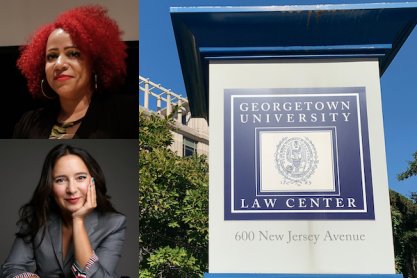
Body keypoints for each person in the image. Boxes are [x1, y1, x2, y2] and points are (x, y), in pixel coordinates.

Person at [1, 144, 126, 277]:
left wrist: (78, 220)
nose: (71, 189)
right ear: (50, 185)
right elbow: (11, 268)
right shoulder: (37, 217)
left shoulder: (114, 224)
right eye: (60, 180)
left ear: (93, 181)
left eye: (81, 177)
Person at [13, 5, 137, 139]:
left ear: (94, 63)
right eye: (52, 56)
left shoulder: (127, 112)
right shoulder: (29, 123)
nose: (59, 64)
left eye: (73, 53)